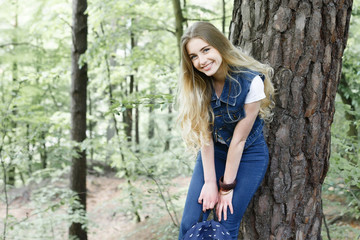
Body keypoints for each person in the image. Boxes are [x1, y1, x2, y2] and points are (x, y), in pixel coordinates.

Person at [177, 22, 275, 239]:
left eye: (205, 50)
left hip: (248, 155)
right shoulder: (198, 85)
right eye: (193, 56)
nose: (201, 61)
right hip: (213, 153)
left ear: (219, 46)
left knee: (225, 223)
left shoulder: (251, 82)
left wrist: (226, 188)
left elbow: (239, 142)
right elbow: (205, 137)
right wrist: (210, 183)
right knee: (190, 222)